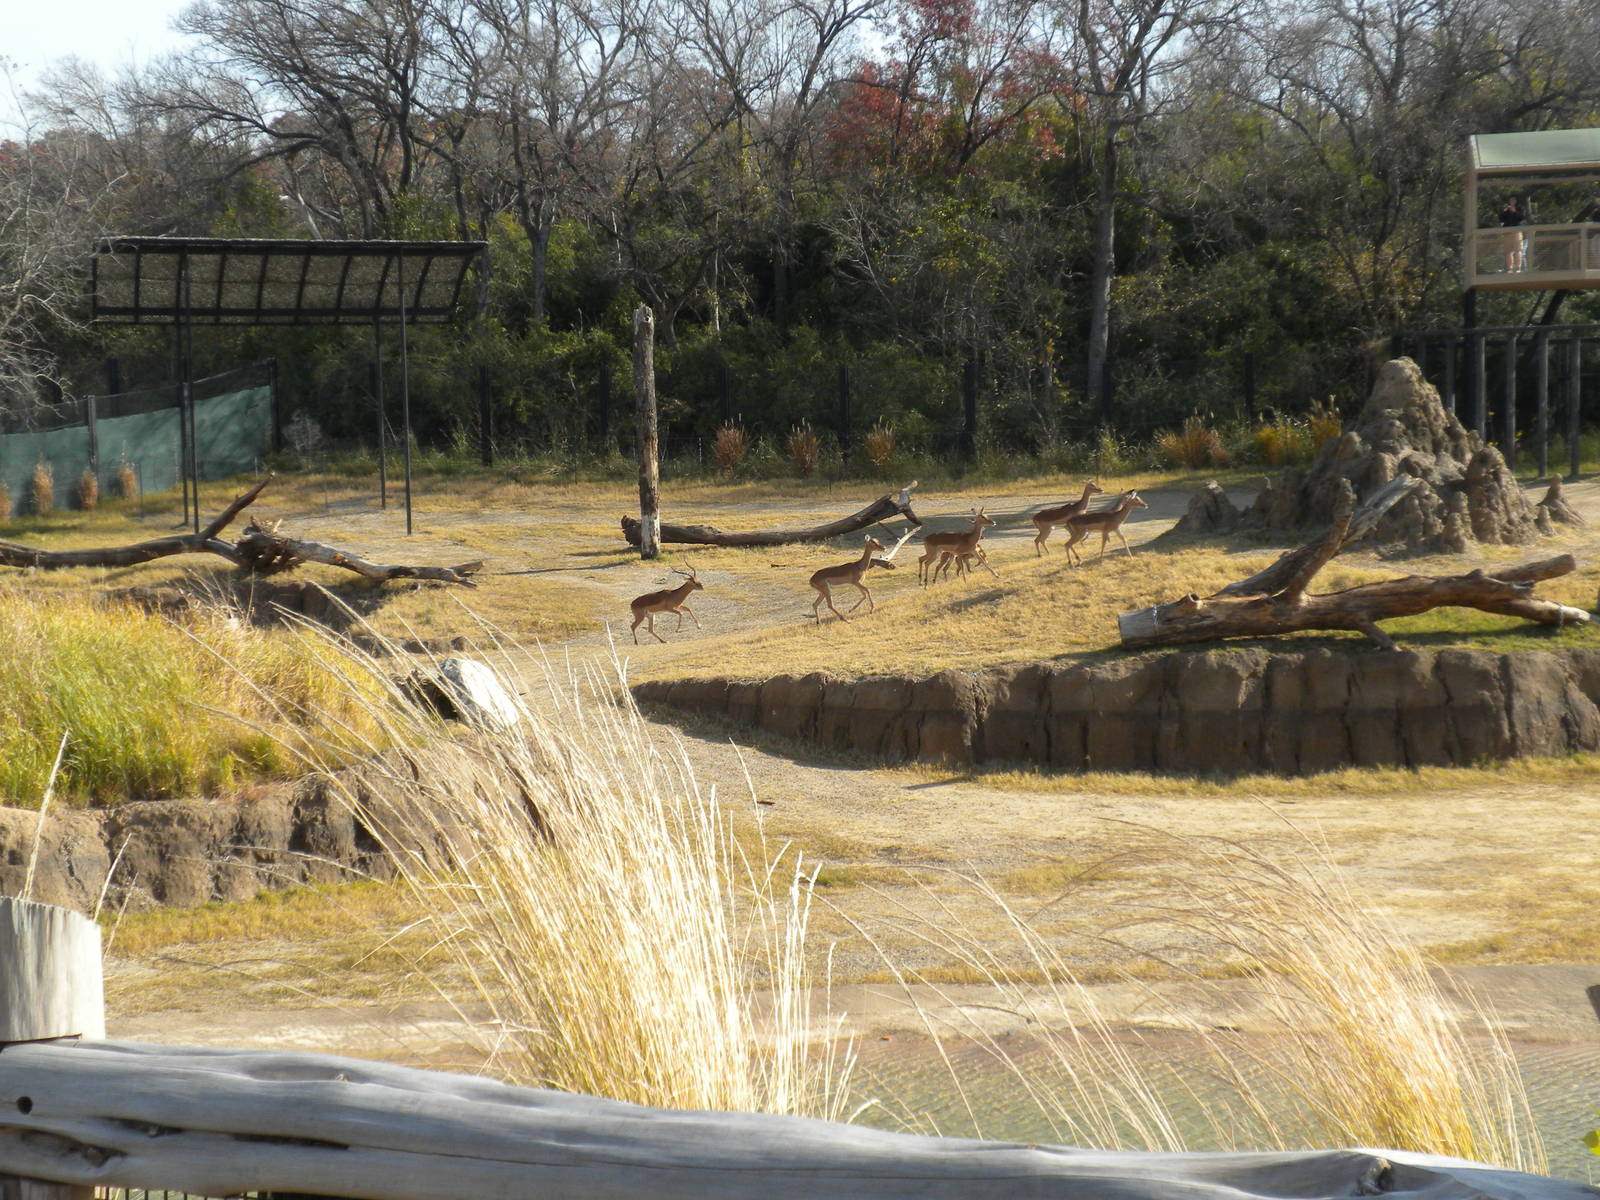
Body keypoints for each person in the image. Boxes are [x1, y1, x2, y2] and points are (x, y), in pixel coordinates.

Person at [1499, 197, 1527, 272]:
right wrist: (1504, 211)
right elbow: (1501, 219)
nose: (1512, 201)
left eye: (1513, 200)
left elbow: (1522, 217)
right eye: (1511, 200)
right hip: (1507, 232)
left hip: (1517, 231)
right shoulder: (1506, 209)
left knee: (1518, 250)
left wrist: (1514, 211)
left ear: (1516, 201)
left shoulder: (1520, 208)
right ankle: (1509, 269)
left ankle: (1518, 268)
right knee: (1508, 251)